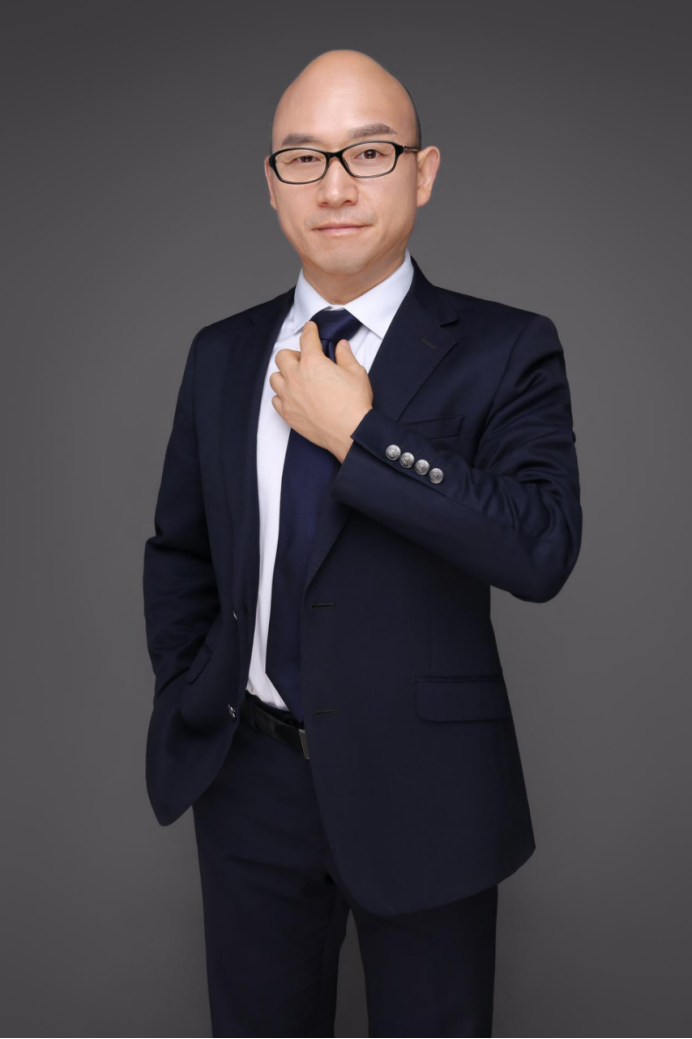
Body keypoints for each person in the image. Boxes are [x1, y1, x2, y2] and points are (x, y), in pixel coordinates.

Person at [142, 47, 582, 1038]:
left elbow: (539, 547)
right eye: (303, 158)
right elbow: (180, 552)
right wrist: (191, 687)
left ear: (422, 172)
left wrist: (360, 434)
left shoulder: (506, 348)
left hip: (429, 788)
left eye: (369, 152)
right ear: (272, 184)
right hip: (249, 780)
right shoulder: (221, 353)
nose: (334, 186)